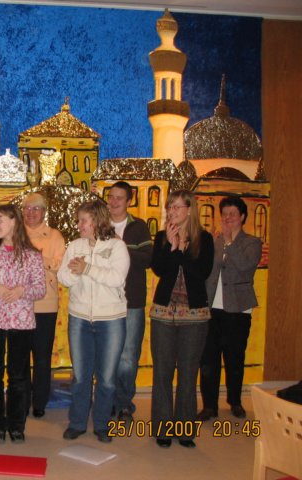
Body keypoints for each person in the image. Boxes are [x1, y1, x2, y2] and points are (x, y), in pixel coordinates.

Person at [0, 204, 45, 444]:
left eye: (0, 220)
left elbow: (40, 289)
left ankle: (16, 425)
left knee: (18, 375)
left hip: (21, 322)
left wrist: (22, 290)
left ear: (14, 221)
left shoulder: (31, 255)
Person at [57, 201, 130, 443]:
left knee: (107, 378)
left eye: (83, 220)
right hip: (79, 318)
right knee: (80, 376)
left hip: (111, 320)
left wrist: (87, 268)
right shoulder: (75, 246)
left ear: (97, 221)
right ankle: (77, 423)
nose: (79, 225)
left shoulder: (117, 246)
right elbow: (63, 277)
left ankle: (101, 424)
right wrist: (76, 272)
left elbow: (117, 279)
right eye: (79, 220)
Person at [150, 190, 213, 449]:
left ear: (189, 209)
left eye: (177, 207)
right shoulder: (161, 237)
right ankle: (163, 429)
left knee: (188, 373)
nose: (172, 211)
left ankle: (185, 430)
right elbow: (159, 269)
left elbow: (202, 272)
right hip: (163, 314)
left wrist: (181, 251)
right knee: (162, 372)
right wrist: (171, 247)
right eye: (170, 207)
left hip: (195, 316)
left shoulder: (204, 239)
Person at [198, 196, 262, 421]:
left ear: (242, 217)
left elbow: (245, 266)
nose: (227, 218)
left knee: (235, 358)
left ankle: (235, 401)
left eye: (232, 214)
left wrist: (229, 241)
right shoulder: (214, 241)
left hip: (238, 309)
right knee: (209, 359)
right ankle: (209, 406)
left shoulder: (252, 242)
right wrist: (219, 241)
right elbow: (206, 270)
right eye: (224, 214)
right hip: (211, 309)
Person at [107, 181, 153, 422]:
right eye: (111, 196)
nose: (114, 201)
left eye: (119, 198)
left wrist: (120, 245)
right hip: (104, 300)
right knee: (106, 354)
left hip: (132, 300)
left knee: (127, 355)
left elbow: (147, 259)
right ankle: (107, 400)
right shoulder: (99, 225)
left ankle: (124, 404)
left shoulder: (139, 227)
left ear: (129, 201)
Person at [22, 192, 66, 418]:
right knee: (20, 356)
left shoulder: (54, 236)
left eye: (36, 208)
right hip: (18, 304)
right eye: (27, 208)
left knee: (41, 356)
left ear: (44, 212)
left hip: (45, 304)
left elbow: (61, 265)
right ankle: (21, 399)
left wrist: (38, 258)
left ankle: (39, 401)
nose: (31, 212)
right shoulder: (15, 233)